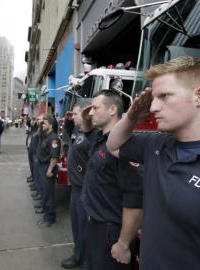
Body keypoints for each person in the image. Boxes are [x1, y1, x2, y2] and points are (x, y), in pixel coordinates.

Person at [107, 56, 200, 269]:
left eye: (164, 96)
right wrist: (131, 116)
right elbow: (113, 145)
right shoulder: (155, 145)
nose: (153, 108)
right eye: (153, 98)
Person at [81, 90, 143, 270]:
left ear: (112, 110)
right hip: (94, 223)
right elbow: (85, 129)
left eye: (95, 108)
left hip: (110, 232)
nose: (91, 112)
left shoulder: (125, 147)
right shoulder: (100, 137)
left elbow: (135, 201)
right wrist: (87, 115)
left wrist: (123, 244)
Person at [61, 103, 93, 269]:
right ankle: (77, 254)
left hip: (84, 189)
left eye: (75, 114)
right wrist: (69, 119)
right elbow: (66, 133)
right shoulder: (77, 131)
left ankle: (86, 261)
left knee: (84, 228)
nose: (72, 117)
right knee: (75, 225)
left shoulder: (92, 135)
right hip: (75, 188)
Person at [36, 113, 60, 227]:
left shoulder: (53, 138)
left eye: (44, 122)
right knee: (44, 192)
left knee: (48, 193)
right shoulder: (45, 135)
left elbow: (54, 157)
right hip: (41, 166)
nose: (42, 124)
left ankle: (50, 217)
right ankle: (46, 212)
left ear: (50, 124)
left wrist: (50, 170)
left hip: (47, 167)